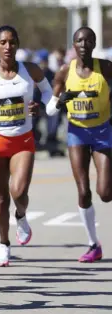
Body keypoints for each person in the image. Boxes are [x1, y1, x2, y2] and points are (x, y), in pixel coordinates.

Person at [0, 26, 52, 267]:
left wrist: (41, 106)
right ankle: (4, 245)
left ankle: (21, 215)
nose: (8, 46)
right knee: (1, 198)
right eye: (3, 42)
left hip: (22, 141)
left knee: (19, 192)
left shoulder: (30, 70)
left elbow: (47, 93)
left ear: (17, 44)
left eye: (12, 42)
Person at [46, 27, 112, 263]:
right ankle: (94, 244)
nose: (83, 44)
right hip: (76, 133)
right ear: (73, 45)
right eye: (79, 40)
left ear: (94, 44)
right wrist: (61, 100)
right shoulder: (65, 71)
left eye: (88, 40)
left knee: (105, 193)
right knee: (83, 191)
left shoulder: (104, 68)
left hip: (103, 131)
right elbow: (49, 109)